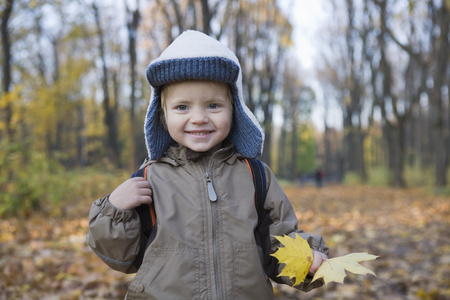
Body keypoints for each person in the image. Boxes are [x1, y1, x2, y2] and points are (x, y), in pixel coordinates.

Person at [87, 30, 329, 299]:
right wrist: (115, 210)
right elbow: (122, 258)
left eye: (213, 105)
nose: (199, 118)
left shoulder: (256, 176)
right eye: (182, 107)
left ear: (234, 110)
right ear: (162, 115)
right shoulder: (148, 179)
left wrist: (307, 261)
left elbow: (279, 243)